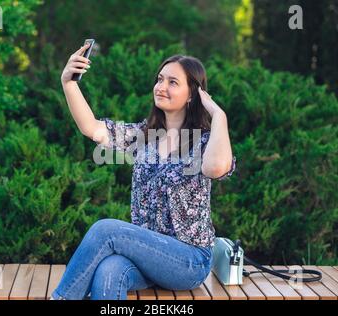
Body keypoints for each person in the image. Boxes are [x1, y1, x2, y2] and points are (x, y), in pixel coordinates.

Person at [51, 43, 236, 300]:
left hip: (189, 260)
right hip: (148, 256)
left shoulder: (203, 141)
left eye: (173, 82)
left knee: (106, 230)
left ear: (193, 94)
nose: (161, 87)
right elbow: (92, 128)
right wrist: (69, 83)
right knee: (109, 270)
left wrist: (218, 114)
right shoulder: (144, 137)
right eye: (160, 79)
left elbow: (216, 167)